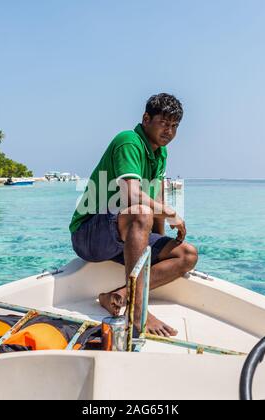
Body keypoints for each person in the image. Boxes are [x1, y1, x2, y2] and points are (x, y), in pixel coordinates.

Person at [70, 93, 198, 337]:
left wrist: (158, 249)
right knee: (140, 211)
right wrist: (171, 212)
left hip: (124, 234)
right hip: (89, 234)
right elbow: (132, 195)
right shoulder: (129, 141)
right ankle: (139, 311)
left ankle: (119, 296)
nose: (169, 131)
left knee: (188, 255)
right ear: (146, 119)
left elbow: (157, 200)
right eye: (164, 123)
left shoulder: (161, 153)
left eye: (174, 126)